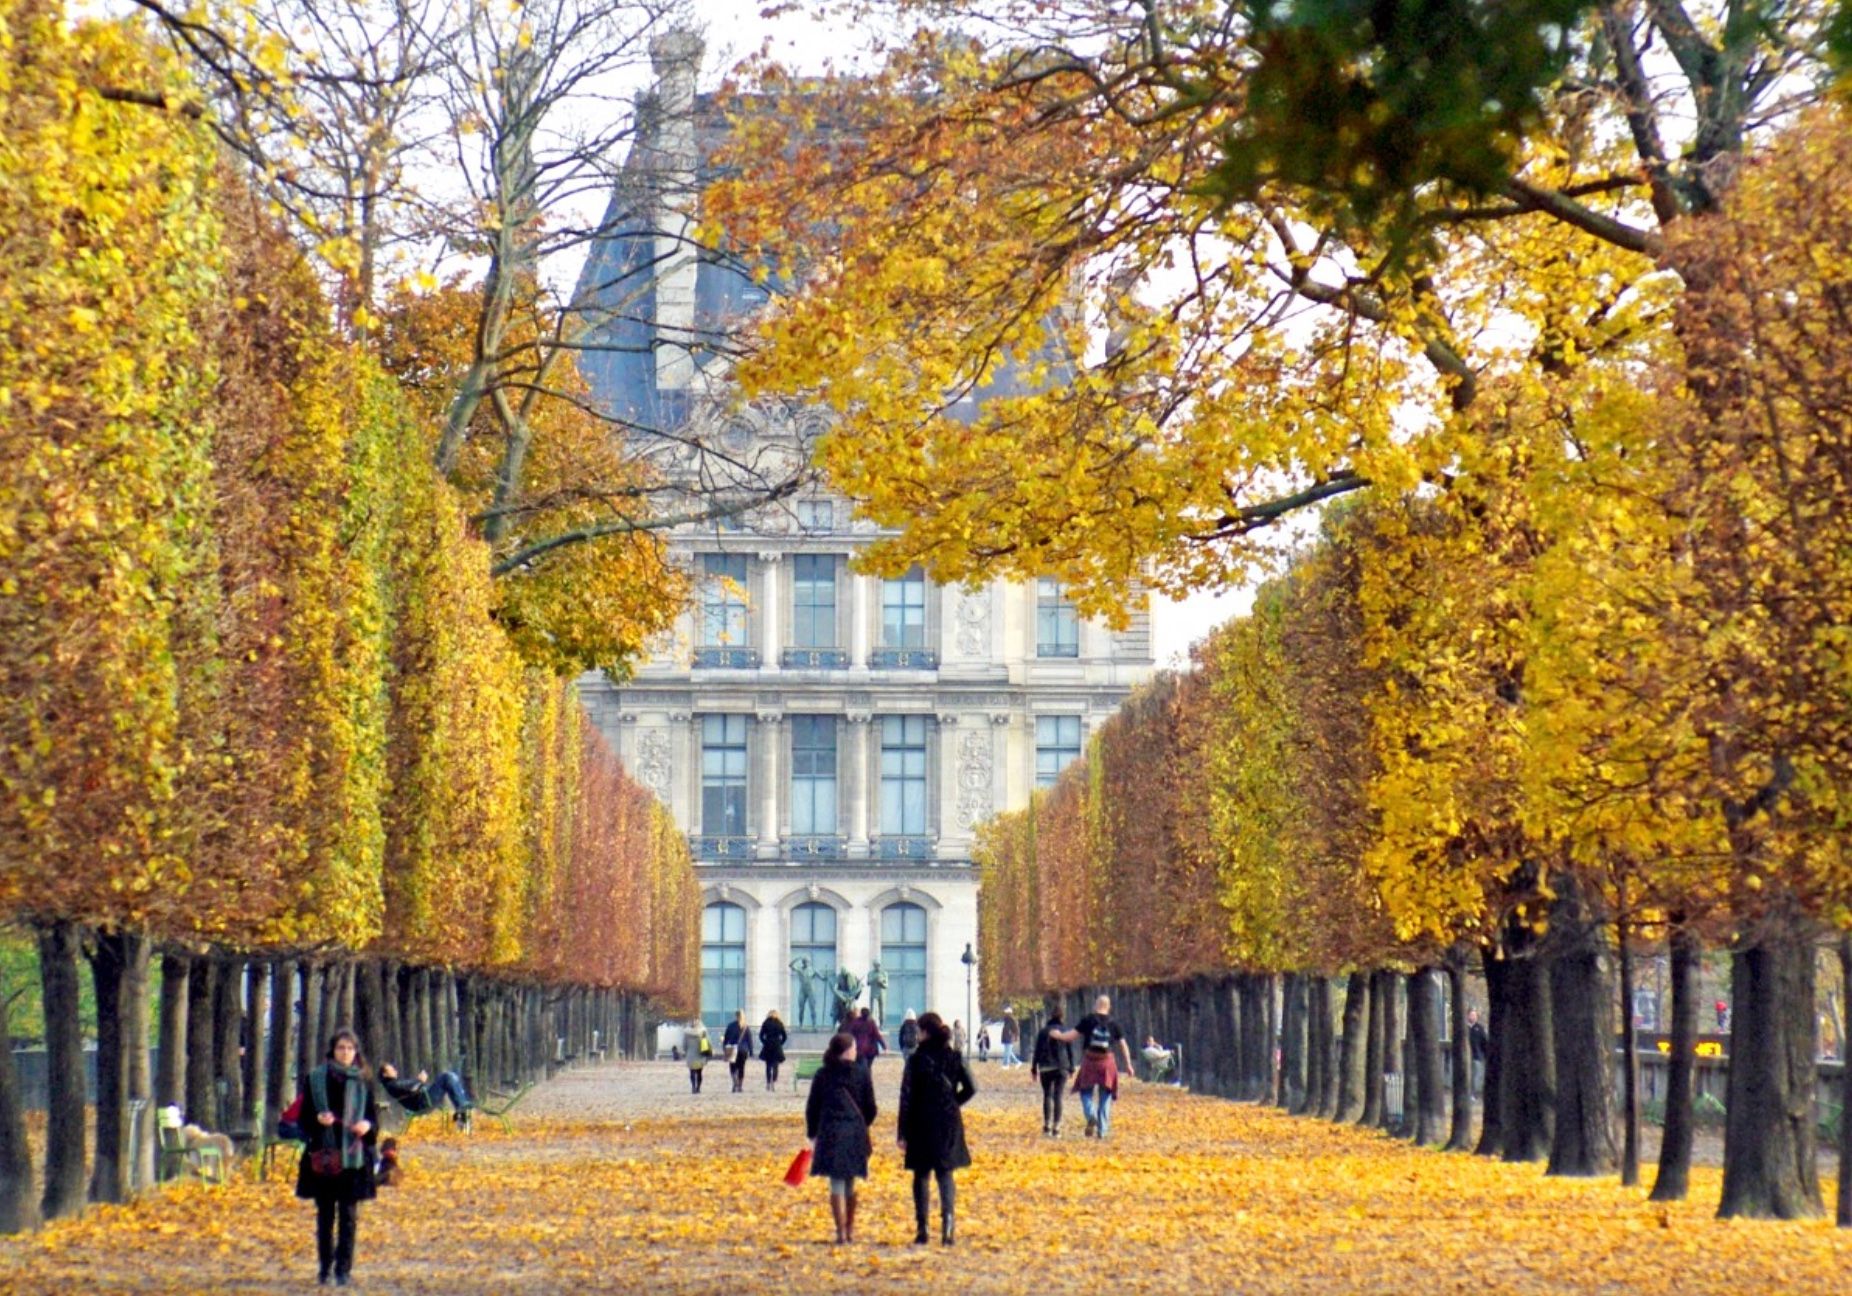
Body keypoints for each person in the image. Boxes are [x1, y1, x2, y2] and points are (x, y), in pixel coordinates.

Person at [295, 1029, 379, 1288]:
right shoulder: (316, 1079)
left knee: (349, 1215)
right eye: (341, 1048)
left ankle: (344, 1269)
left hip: (353, 1159)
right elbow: (303, 1119)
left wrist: (366, 1126)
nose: (345, 1053)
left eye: (350, 1049)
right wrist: (318, 1121)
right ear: (333, 1050)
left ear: (356, 1053)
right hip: (325, 1156)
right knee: (325, 1214)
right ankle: (324, 1267)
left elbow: (374, 1120)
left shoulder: (364, 1081)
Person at [898, 1012, 976, 1246]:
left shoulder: (915, 1060)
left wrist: (902, 1132)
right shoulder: (955, 1057)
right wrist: (954, 1102)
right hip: (948, 1121)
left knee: (921, 1175)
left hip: (920, 1121)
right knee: (945, 1173)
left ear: (925, 1032)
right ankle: (948, 1229)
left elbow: (906, 1097)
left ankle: (922, 1229)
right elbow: (972, 1087)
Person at [804, 1032, 878, 1245]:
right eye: (854, 1048)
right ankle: (849, 1229)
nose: (856, 1051)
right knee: (851, 1179)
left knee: (836, 1179)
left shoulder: (823, 1074)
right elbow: (871, 1107)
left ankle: (840, 1232)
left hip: (829, 1130)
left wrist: (813, 1133)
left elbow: (813, 1107)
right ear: (847, 1051)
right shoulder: (861, 1074)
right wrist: (862, 1124)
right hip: (854, 1131)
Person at [1048, 995, 1135, 1139]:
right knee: (1105, 1097)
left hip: (1090, 1060)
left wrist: (1058, 1035)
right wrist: (1128, 1065)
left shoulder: (1088, 1020)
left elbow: (1070, 1036)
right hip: (1107, 1063)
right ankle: (1102, 1130)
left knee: (1085, 1092)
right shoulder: (1114, 1024)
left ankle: (1091, 1115)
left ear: (1096, 1005)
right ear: (1109, 1007)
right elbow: (1123, 1045)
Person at [379, 1062, 474, 1129]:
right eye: (392, 1070)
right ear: (385, 1074)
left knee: (449, 1077)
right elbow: (411, 1088)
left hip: (424, 1100)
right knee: (447, 1077)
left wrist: (419, 1082)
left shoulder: (392, 1084)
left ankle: (462, 1110)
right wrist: (420, 1080)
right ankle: (462, 1110)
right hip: (424, 1102)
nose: (395, 1071)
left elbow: (410, 1089)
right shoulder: (392, 1084)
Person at [1031, 1007, 1075, 1136]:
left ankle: (1047, 1125)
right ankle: (1057, 1127)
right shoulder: (1065, 1031)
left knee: (1047, 1095)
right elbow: (1070, 1051)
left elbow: (1037, 1051)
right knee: (1058, 1096)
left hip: (1045, 1066)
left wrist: (1034, 1068)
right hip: (1061, 1066)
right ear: (1062, 1017)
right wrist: (1071, 1067)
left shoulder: (1043, 1032)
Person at [848, 1006, 887, 1076]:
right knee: (868, 1067)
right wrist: (884, 1046)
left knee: (861, 1066)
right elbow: (877, 1035)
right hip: (870, 1049)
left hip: (859, 1048)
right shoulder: (871, 1022)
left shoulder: (856, 1022)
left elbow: (851, 1034)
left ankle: (862, 1079)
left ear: (861, 1013)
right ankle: (867, 1080)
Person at [723, 1010, 754, 1093]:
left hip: (732, 1049)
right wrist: (751, 1051)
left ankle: (734, 1082)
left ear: (735, 1016)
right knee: (741, 1068)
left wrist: (724, 1048)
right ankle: (740, 1085)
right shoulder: (746, 1027)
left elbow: (726, 1038)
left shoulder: (730, 1026)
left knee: (732, 1067)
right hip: (743, 1050)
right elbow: (750, 1040)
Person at [759, 1009, 788, 1090]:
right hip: (776, 1046)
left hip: (768, 1045)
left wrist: (764, 1042)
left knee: (768, 1065)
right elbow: (784, 1036)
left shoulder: (766, 1023)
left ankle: (768, 1082)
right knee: (776, 1065)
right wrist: (780, 1043)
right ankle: (773, 1081)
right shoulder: (779, 1023)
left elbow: (761, 1035)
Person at [682, 1020, 712, 1093]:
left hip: (690, 1055)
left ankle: (693, 1087)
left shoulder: (686, 1033)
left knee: (692, 1072)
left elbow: (684, 1045)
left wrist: (686, 1051)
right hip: (700, 1054)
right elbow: (708, 1042)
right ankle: (698, 1087)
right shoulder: (703, 1031)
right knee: (699, 1072)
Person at [1467, 1009, 1489, 1098]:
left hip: (1477, 1055)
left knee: (1476, 1075)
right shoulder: (1464, 1028)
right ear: (1467, 1016)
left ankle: (1474, 1094)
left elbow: (1484, 1042)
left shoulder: (1479, 1028)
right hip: (1466, 1055)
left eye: (1474, 1015)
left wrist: (1486, 1054)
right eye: (1471, 1015)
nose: (1473, 1017)